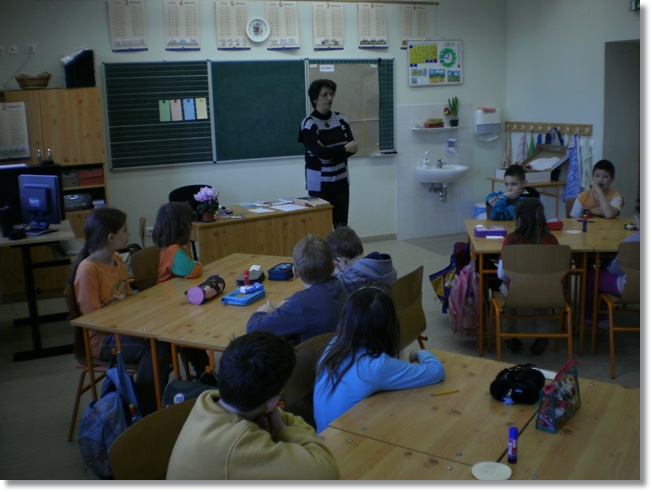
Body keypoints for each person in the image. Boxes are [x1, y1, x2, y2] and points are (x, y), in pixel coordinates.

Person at [166, 331, 339, 480]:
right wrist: (281, 429)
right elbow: (327, 473)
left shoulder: (210, 400)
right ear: (273, 401)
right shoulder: (238, 442)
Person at [69, 207, 171, 416]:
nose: (128, 233)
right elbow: (93, 319)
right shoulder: (88, 269)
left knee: (166, 335)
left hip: (122, 328)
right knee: (157, 346)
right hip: (102, 339)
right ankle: (147, 411)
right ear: (111, 237)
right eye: (124, 230)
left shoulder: (116, 260)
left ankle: (156, 402)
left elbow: (127, 300)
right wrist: (134, 324)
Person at [313, 287, 446, 434]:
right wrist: (421, 353)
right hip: (345, 444)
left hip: (324, 437)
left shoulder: (334, 345)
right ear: (387, 327)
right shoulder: (376, 365)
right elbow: (436, 371)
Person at [246, 234, 347, 345]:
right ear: (333, 267)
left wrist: (263, 310)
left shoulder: (301, 304)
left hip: (314, 355)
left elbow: (253, 329)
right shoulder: (338, 284)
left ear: (295, 272)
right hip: (335, 350)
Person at [152, 201, 209, 376]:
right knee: (194, 333)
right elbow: (193, 270)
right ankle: (205, 373)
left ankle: (204, 372)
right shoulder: (174, 251)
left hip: (174, 300)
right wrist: (198, 264)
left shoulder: (171, 248)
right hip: (172, 308)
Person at [496, 198, 559, 355]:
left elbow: (501, 274)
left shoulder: (511, 240)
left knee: (506, 298)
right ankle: (542, 337)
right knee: (542, 297)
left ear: (518, 219)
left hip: (515, 291)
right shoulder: (551, 240)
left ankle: (510, 337)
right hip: (546, 291)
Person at [298, 79, 358, 228]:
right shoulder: (309, 124)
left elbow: (353, 148)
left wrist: (329, 154)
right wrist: (343, 149)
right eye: (324, 95)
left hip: (341, 182)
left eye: (331, 94)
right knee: (320, 227)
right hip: (319, 186)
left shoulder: (340, 119)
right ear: (314, 99)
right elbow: (321, 153)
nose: (329, 98)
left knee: (341, 227)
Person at [584, 199, 640, 325]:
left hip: (630, 287)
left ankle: (595, 319)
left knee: (590, 276)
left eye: (637, 215)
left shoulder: (631, 242)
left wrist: (607, 266)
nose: (634, 218)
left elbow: (616, 269)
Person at [326, 225, 397, 294]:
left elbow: (329, 288)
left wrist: (337, 274)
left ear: (343, 260)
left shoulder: (352, 278)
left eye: (337, 264)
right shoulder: (384, 263)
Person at [152, 202, 202, 283]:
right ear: (183, 228)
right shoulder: (174, 251)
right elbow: (194, 272)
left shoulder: (169, 248)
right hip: (168, 290)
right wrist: (199, 265)